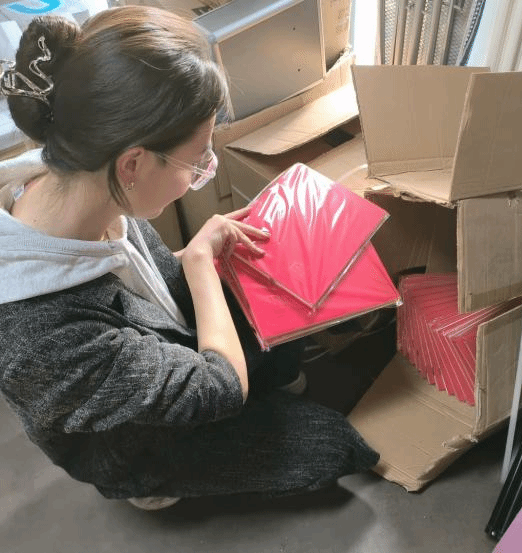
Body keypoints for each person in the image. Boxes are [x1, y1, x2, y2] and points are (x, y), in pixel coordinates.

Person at [0, 6, 378, 511]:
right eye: (197, 159)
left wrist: (194, 258)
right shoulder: (42, 338)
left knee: (283, 312)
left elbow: (129, 283)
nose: (204, 169)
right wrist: (199, 262)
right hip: (133, 439)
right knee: (334, 445)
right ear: (133, 164)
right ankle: (147, 485)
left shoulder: (82, 176)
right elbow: (220, 389)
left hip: (158, 336)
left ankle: (256, 373)